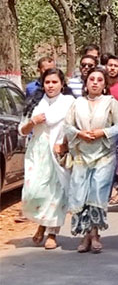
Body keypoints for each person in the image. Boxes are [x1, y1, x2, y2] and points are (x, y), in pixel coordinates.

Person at [65, 67, 118, 253]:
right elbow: (68, 126)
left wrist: (103, 132)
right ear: (86, 83)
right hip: (81, 155)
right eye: (92, 79)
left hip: (104, 155)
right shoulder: (77, 103)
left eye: (100, 80)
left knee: (97, 193)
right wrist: (79, 134)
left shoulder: (111, 103)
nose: (95, 83)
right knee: (81, 194)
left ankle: (95, 234)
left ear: (105, 84)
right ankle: (85, 236)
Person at [20, 68, 75, 250]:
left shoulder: (69, 103)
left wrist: (65, 145)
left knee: (56, 193)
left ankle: (52, 232)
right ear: (42, 84)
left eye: (54, 82)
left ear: (62, 84)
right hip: (37, 152)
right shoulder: (36, 103)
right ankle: (42, 223)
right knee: (35, 192)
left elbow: (74, 128)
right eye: (47, 82)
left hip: (57, 151)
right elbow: (22, 130)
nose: (50, 86)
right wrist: (33, 122)